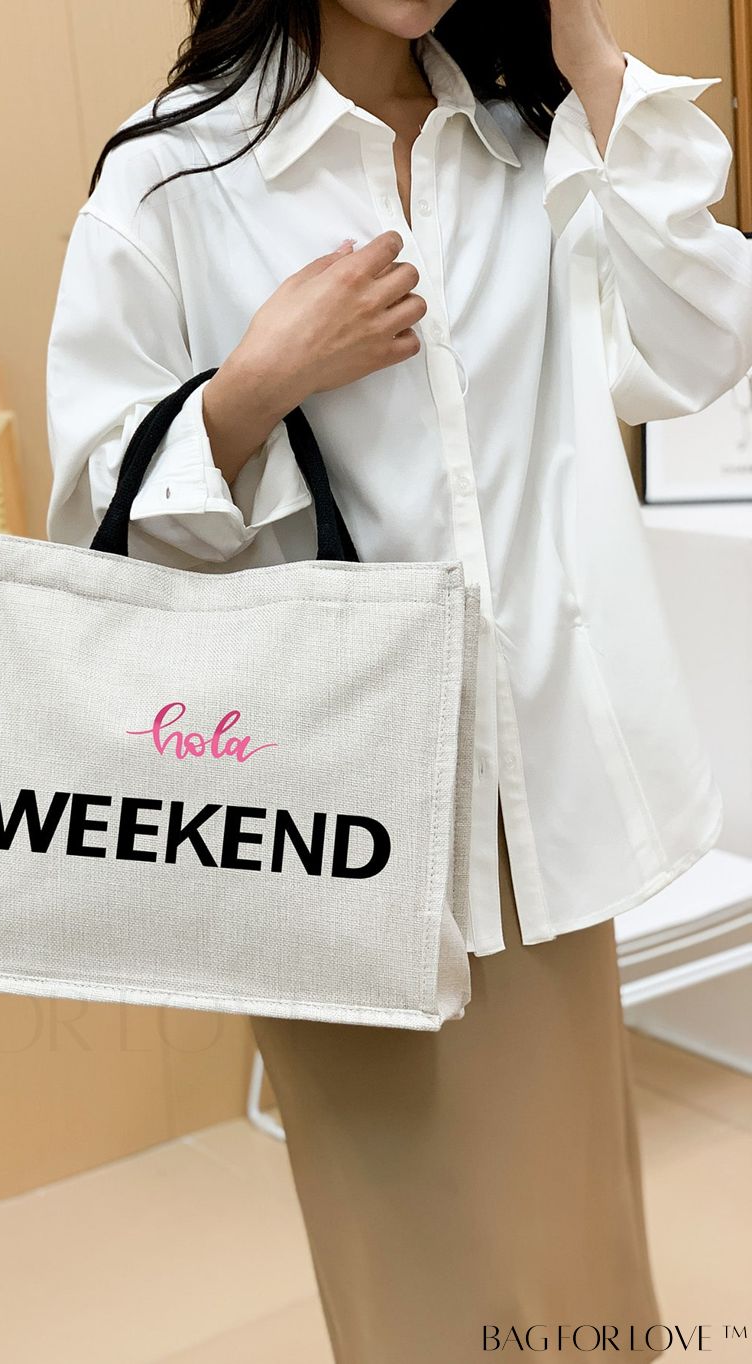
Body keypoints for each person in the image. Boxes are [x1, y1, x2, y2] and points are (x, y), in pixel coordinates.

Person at [45, 1, 752, 1358]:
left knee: (583, 1259)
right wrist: (254, 386)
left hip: (540, 810)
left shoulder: (521, 138)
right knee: (421, 1285)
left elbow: (699, 348)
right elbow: (97, 522)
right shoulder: (172, 175)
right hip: (339, 829)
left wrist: (590, 56)